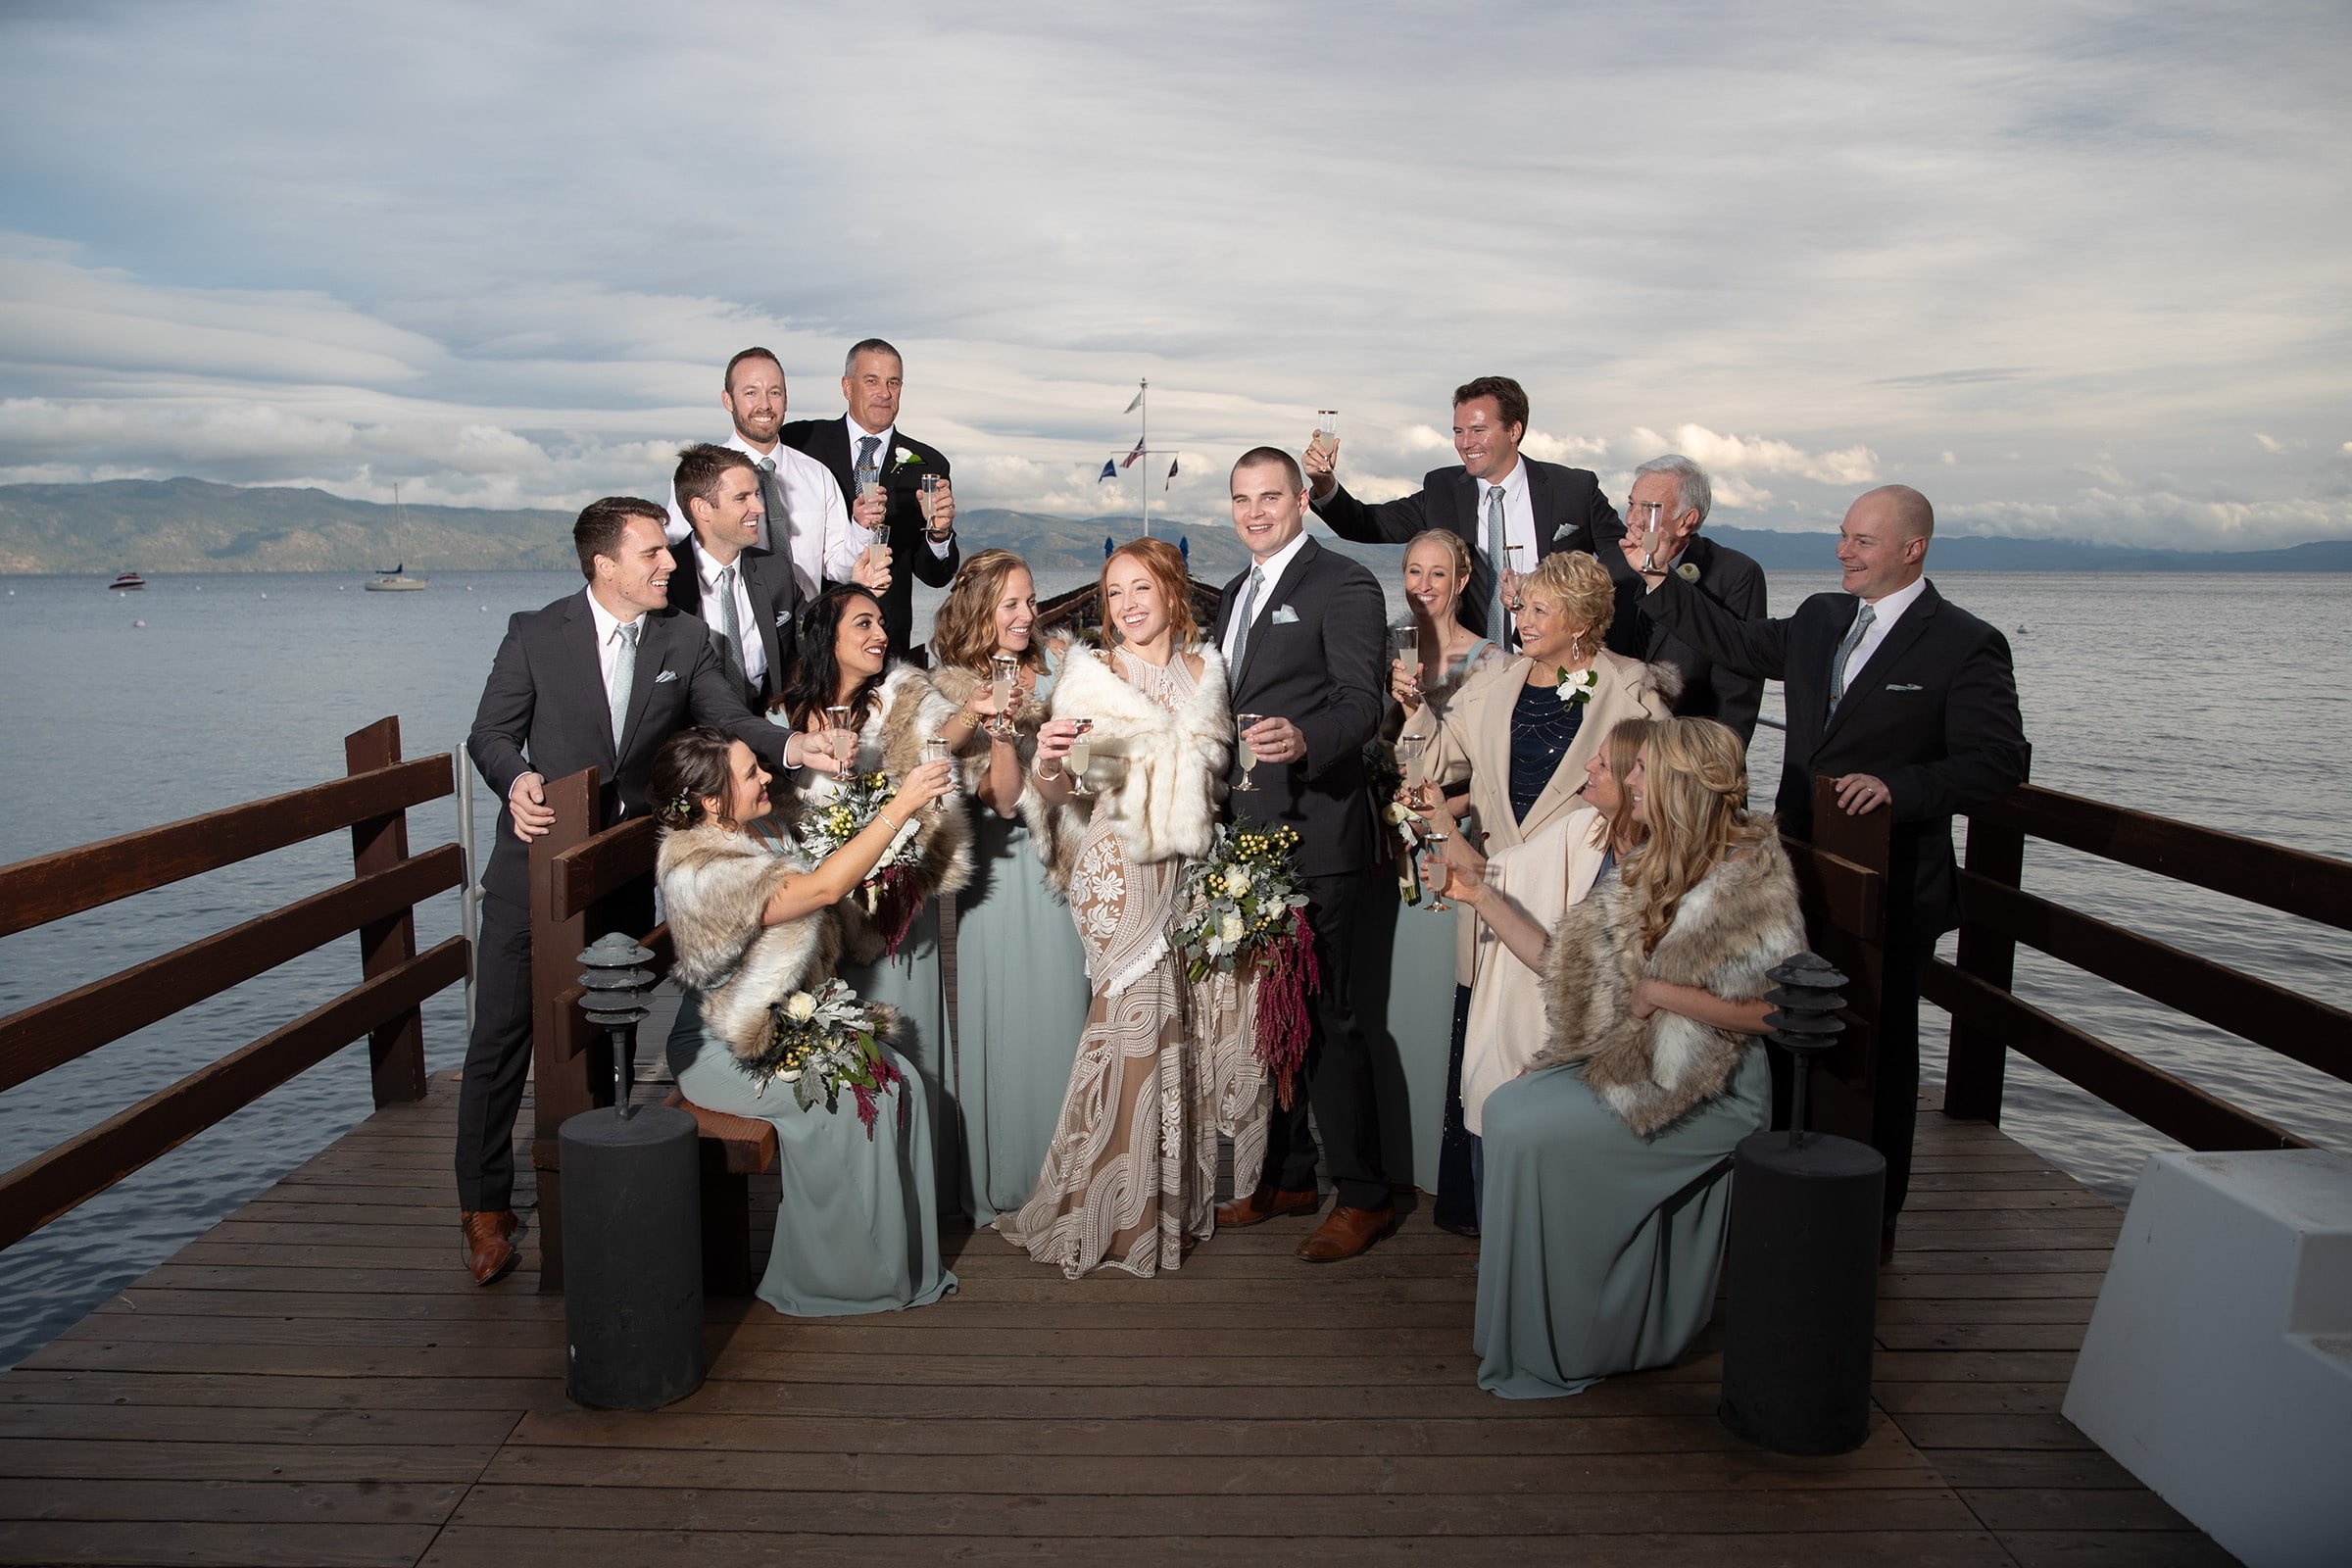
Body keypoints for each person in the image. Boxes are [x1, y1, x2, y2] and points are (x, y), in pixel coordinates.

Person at [1631, 484, 2030, 1249]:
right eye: (1843, 537)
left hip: (1892, 887)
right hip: (1800, 873)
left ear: (1913, 549)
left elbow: (1999, 763)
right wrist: (1660, 581)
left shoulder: (1964, 643)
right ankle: (1786, 1183)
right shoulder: (1820, 618)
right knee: (1788, 1026)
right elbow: (1737, 642)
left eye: (1862, 542)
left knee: (1878, 1049)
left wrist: (1901, 787)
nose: (1843, 551)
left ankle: (1870, 1218)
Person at [456, 497, 818, 1285]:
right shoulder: (533, 634)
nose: (668, 564)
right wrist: (514, 779)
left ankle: (594, 1180)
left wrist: (789, 744)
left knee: (604, 1031)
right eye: (653, 552)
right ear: (605, 564)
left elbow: (724, 717)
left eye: (667, 551)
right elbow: (489, 733)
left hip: (620, 876)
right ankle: (484, 1208)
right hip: (532, 873)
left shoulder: (686, 637)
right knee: (501, 1039)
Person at [1472, 717, 1805, 1398]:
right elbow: (1565, 965)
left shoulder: (1751, 878)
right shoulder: (1654, 862)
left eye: (1643, 770)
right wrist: (1479, 896)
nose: (1629, 779)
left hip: (1711, 1086)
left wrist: (1666, 992)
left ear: (1682, 782)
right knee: (1508, 1109)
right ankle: (1547, 1326)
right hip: (1635, 1060)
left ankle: (1585, 1335)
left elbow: (1775, 1012)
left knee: (1533, 1132)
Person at [1401, 550, 1675, 1232]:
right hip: (1495, 888)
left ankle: (1564, 1217)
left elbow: (1661, 789)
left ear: (1580, 622)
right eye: (1519, 605)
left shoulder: (1632, 688)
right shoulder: (1494, 683)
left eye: (1536, 609)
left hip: (1584, 889)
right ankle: (1486, 1212)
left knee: (1569, 1034)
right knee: (1491, 1045)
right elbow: (1436, 761)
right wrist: (1413, 713)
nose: (1519, 619)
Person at [654, 727, 959, 1316]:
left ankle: (902, 1262)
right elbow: (822, 887)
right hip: (727, 1043)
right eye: (750, 773)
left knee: (905, 1082)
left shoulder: (756, 828)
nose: (766, 775)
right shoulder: (702, 871)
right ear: (712, 801)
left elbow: (831, 860)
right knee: (852, 1101)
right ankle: (841, 1276)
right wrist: (901, 806)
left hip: (790, 1020)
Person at [999, 538, 1233, 1278]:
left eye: (1140, 588)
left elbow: (1219, 781)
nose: (1128, 605)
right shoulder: (1092, 676)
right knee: (1133, 1029)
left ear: (1171, 591)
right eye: (1114, 594)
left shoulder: (1207, 673)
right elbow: (1070, 788)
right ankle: (1119, 1215)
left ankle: (1164, 1204)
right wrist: (1045, 762)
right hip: (1117, 871)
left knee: (1177, 1033)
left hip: (1187, 872)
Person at [1211, 447, 1395, 1261]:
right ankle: (1287, 1176)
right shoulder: (1230, 595)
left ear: (1301, 502)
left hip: (1320, 831)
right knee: (1272, 1014)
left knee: (1332, 1016)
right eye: (1244, 499)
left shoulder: (1345, 584)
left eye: (1272, 497)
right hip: (1249, 837)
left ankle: (1364, 1194)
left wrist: (1307, 737)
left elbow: (1366, 702)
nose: (1257, 512)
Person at [770, 585, 974, 1182]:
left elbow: (945, 734)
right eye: (863, 623)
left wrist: (979, 711)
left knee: (910, 1050)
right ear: (825, 639)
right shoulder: (778, 722)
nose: (880, 634)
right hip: (819, 924)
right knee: (839, 1060)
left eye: (882, 622)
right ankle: (855, 1186)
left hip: (893, 909)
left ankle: (923, 1192)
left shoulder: (900, 698)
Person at [925, 550, 1092, 1223]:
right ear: (980, 611)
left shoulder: (1058, 662)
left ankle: (1074, 1174)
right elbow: (995, 799)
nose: (1026, 616)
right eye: (1011, 605)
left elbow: (1092, 753)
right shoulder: (952, 685)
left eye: (1030, 601)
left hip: (1068, 857)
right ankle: (1013, 1179)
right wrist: (994, 725)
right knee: (1006, 1018)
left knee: (1065, 1013)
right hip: (1001, 872)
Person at [1436, 716, 1654, 1172]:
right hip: (1569, 1019)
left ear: (1640, 781)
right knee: (1493, 1081)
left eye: (1603, 763)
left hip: (1623, 1051)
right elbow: (1496, 873)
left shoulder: (1661, 872)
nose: (1588, 766)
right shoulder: (1587, 830)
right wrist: (1439, 822)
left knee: (1516, 1104)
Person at [1306, 375, 1622, 644]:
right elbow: (1366, 524)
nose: (1465, 443)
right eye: (1458, 432)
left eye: (1478, 430)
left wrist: (1559, 594)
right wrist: (1324, 482)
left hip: (1559, 659)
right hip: (1473, 667)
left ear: (1514, 431)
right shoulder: (1442, 490)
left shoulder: (1574, 489)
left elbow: (1622, 560)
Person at [1380, 529, 1505, 1200]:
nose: (1423, 584)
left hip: (1450, 842)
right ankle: (1398, 1156)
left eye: (1438, 573)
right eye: (1412, 571)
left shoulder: (1490, 664)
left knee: (1445, 999)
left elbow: (1492, 768)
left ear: (1461, 581)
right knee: (1394, 1003)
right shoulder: (1390, 650)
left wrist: (1439, 806)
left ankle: (1443, 1163)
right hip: (1391, 844)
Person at [662, 345, 889, 607]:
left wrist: (861, 526)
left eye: (774, 392)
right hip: (731, 632)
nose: (764, 405)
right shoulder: (699, 478)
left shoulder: (817, 475)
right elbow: (678, 562)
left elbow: (838, 567)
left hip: (804, 633)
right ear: (728, 400)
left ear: (786, 399)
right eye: (751, 392)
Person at [782, 338, 960, 663]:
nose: (884, 392)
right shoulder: (799, 443)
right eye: (872, 380)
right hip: (812, 634)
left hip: (886, 639)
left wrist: (939, 534)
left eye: (893, 383)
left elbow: (935, 576)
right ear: (847, 387)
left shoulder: (929, 464)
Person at [1595, 456, 1768, 744]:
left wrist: (1714, 767)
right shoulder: (1613, 562)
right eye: (1631, 504)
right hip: (1609, 747)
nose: (1633, 519)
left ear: (1687, 520)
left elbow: (1737, 690)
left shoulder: (1735, 575)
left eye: (1648, 508)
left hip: (1682, 754)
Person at [664, 443, 801, 707]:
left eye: (756, 494)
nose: (759, 508)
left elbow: (811, 644)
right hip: (692, 739)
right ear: (702, 508)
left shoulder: (775, 571)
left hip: (767, 729)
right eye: (742, 498)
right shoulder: (665, 579)